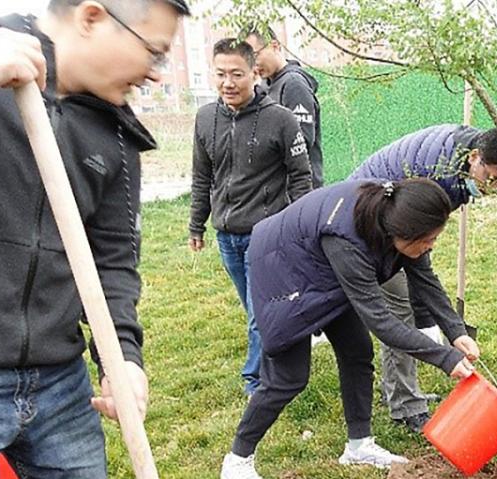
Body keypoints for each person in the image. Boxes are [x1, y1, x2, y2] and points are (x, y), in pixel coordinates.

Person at [0, 0, 189, 476]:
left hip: (59, 388)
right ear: (92, 17)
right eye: (154, 52)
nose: (154, 74)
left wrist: (123, 355)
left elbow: (113, 263)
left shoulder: (115, 133)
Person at [220, 178, 482, 479]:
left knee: (357, 352)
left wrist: (456, 331)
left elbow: (426, 282)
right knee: (288, 377)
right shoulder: (347, 239)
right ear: (402, 233)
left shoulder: (394, 220)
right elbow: (380, 321)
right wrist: (445, 358)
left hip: (322, 266)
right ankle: (237, 461)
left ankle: (359, 445)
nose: (431, 246)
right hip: (283, 268)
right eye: (428, 240)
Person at [347, 124, 497, 432]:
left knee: (412, 297)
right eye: (493, 178)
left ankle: (400, 392)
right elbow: (419, 267)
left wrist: (454, 330)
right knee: (398, 306)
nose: (495, 188)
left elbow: (420, 264)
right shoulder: (440, 178)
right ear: (475, 158)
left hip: (391, 215)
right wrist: (452, 333)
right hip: (366, 220)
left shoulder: (468, 154)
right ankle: (406, 406)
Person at [189, 37, 313, 396]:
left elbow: (301, 175)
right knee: (257, 310)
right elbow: (201, 177)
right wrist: (197, 224)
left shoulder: (281, 119)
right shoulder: (206, 118)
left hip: (266, 234)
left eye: (237, 74)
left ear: (254, 74)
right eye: (221, 74)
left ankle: (257, 381)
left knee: (260, 312)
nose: (228, 82)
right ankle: (286, 351)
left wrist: (297, 226)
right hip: (226, 234)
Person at [243, 27, 323, 187]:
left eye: (255, 55)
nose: (253, 64)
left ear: (274, 46)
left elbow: (302, 142)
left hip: (299, 193)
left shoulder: (294, 84)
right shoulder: (266, 86)